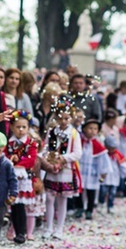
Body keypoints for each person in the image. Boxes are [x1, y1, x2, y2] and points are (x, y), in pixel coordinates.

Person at [40, 95, 82, 237]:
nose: (63, 121)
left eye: (66, 118)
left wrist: (63, 158)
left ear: (71, 118)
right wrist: (47, 157)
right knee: (50, 198)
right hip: (52, 169)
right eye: (61, 118)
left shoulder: (74, 134)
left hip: (66, 170)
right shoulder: (52, 132)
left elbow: (77, 153)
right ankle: (49, 227)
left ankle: (60, 228)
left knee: (62, 199)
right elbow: (45, 148)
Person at [5, 110, 37, 244]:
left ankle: (22, 233)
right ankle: (17, 231)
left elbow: (32, 159)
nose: (21, 130)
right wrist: (10, 160)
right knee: (14, 205)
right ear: (12, 127)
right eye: (18, 127)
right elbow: (4, 156)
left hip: (24, 178)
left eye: (24, 127)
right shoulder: (9, 143)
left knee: (21, 206)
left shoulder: (31, 143)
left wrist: (18, 163)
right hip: (12, 177)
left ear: (28, 128)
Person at [78, 117, 110, 220]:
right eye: (90, 128)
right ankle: (79, 207)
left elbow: (103, 158)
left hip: (92, 171)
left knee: (91, 191)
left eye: (95, 129)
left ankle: (89, 210)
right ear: (84, 129)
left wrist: (103, 172)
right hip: (81, 169)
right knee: (79, 189)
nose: (92, 131)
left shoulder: (98, 144)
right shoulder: (80, 142)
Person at [99, 136, 126, 214]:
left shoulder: (117, 155)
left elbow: (123, 165)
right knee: (103, 191)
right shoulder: (103, 154)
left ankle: (110, 206)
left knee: (112, 193)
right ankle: (101, 203)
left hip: (114, 177)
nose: (112, 150)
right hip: (105, 176)